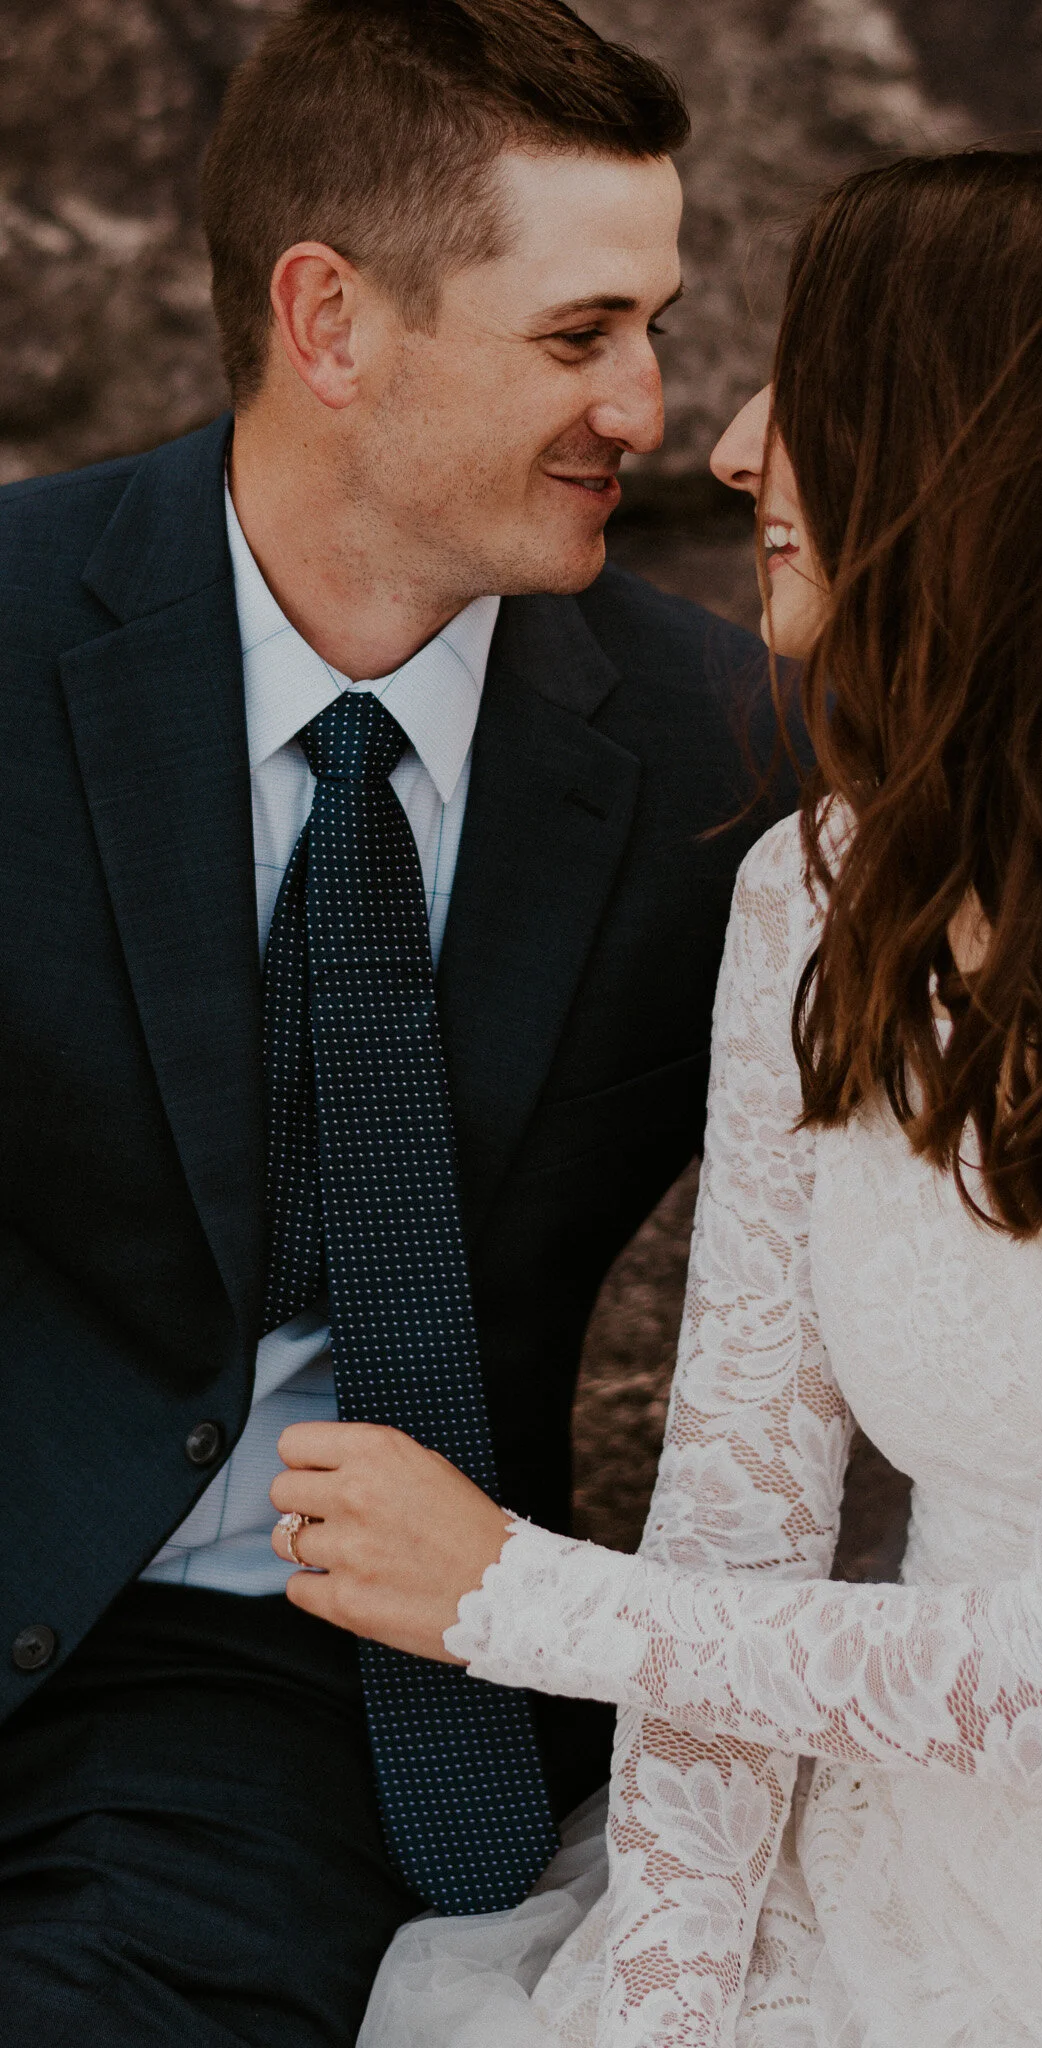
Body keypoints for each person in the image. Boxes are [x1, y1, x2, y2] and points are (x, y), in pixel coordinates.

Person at [277, 152, 1042, 2045]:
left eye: (816, 382)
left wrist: (513, 1597)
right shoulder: (815, 889)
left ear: (993, 450)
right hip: (879, 1865)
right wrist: (669, 1991)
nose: (730, 449)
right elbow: (737, 1505)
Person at [0, 3, 778, 2042]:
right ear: (329, 322)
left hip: (270, 1680)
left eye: (655, 327)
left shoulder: (728, 765)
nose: (650, 406)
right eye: (580, 333)